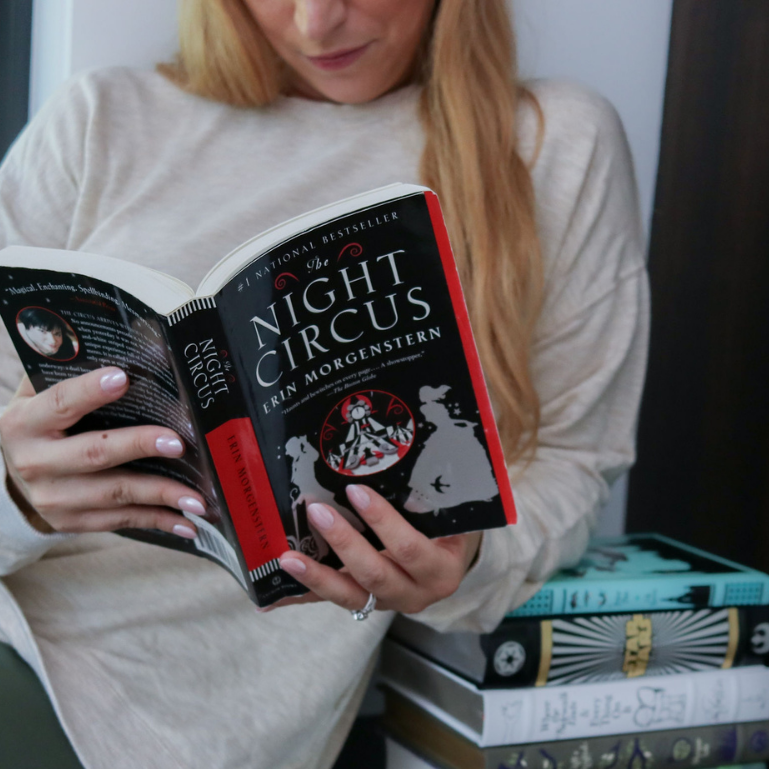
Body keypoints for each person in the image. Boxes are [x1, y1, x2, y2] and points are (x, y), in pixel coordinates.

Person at [0, 1, 649, 767]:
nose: (316, 24)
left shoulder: (549, 142)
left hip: (185, 717)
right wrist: (17, 490)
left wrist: (471, 564)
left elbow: (576, 457)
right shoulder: (102, 115)